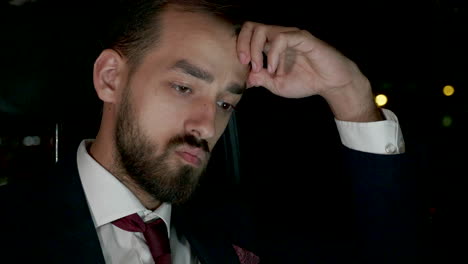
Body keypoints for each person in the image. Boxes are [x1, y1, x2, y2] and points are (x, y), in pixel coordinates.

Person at [1, 0, 426, 263]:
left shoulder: (245, 229)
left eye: (226, 103)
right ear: (111, 78)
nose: (207, 125)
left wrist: (349, 93)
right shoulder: (14, 226)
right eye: (184, 87)